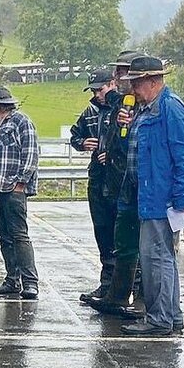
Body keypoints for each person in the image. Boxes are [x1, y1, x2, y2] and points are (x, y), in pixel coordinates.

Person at [115, 55, 184, 337]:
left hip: (162, 199)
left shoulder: (170, 108)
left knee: (155, 258)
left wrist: (180, 198)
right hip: (150, 195)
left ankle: (159, 319)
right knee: (160, 258)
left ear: (153, 81)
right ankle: (171, 316)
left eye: (137, 82)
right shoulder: (148, 109)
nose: (133, 88)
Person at [84, 50, 143, 318]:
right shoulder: (121, 103)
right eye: (118, 72)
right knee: (116, 240)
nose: (119, 77)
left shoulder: (151, 105)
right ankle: (114, 294)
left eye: (123, 71)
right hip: (115, 181)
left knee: (142, 248)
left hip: (136, 184)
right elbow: (111, 136)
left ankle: (142, 301)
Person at [0, 86, 39, 299]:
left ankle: (30, 282)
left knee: (19, 236)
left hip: (13, 189)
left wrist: (21, 183)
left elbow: (31, 152)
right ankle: (12, 280)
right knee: (4, 236)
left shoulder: (21, 122)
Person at [71, 67, 117, 300]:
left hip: (117, 177)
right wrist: (82, 143)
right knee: (102, 231)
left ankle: (125, 289)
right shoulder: (90, 111)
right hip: (97, 176)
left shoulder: (122, 108)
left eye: (100, 89)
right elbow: (74, 135)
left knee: (119, 234)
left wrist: (111, 153)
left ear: (112, 83)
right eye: (94, 90)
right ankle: (106, 284)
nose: (97, 94)